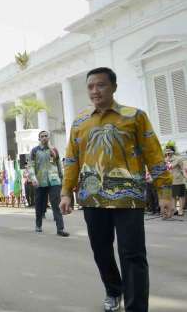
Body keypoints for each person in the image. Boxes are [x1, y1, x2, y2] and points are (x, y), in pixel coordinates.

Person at [60, 67, 174, 312]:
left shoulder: (134, 117)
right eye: (90, 86)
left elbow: (154, 155)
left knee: (132, 255)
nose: (95, 91)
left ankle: (136, 307)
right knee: (101, 252)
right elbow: (71, 159)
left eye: (100, 85)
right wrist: (65, 192)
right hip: (92, 198)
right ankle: (113, 290)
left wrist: (165, 194)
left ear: (113, 87)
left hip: (128, 198)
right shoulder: (80, 121)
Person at [30, 131, 69, 237]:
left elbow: (58, 165)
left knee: (56, 205)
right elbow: (31, 166)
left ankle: (60, 228)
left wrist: (62, 179)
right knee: (39, 204)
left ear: (49, 137)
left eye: (46, 136)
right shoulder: (35, 151)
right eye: (42, 136)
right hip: (40, 181)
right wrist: (33, 178)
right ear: (39, 139)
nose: (44, 138)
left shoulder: (54, 150)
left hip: (54, 181)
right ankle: (38, 224)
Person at [164, 143, 186, 216]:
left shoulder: (178, 158)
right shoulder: (165, 159)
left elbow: (183, 169)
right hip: (169, 180)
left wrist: (185, 177)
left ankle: (181, 210)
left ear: (172, 151)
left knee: (180, 195)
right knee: (172, 196)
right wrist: (166, 160)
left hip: (178, 180)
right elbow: (165, 169)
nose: (167, 152)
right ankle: (174, 209)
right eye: (166, 151)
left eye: (169, 151)